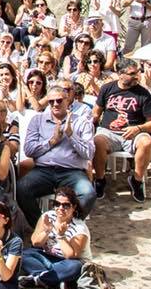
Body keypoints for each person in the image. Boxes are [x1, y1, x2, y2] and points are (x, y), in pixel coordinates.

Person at [17, 87, 97, 223]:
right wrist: (52, 141)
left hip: (72, 172)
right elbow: (29, 150)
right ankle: (41, 227)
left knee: (88, 193)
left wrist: (71, 135)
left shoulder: (81, 122)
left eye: (59, 100)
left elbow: (89, 153)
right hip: (44, 170)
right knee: (21, 189)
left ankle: (69, 225)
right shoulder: (38, 120)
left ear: (68, 101)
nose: (55, 104)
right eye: (51, 101)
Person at [94, 59, 151, 204]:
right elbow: (96, 113)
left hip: (134, 132)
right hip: (109, 132)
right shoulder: (107, 89)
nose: (137, 76)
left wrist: (138, 128)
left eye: (137, 72)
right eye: (132, 73)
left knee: (147, 142)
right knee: (97, 141)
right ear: (120, 74)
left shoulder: (143, 94)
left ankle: (137, 181)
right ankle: (100, 180)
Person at [20, 187, 90, 289]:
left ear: (74, 207)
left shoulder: (80, 229)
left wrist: (61, 235)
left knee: (75, 267)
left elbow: (71, 256)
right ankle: (54, 281)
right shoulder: (47, 216)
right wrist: (47, 231)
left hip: (68, 262)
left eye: (66, 205)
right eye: (57, 204)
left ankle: (38, 279)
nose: (60, 208)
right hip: (49, 258)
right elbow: (35, 242)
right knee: (23, 253)